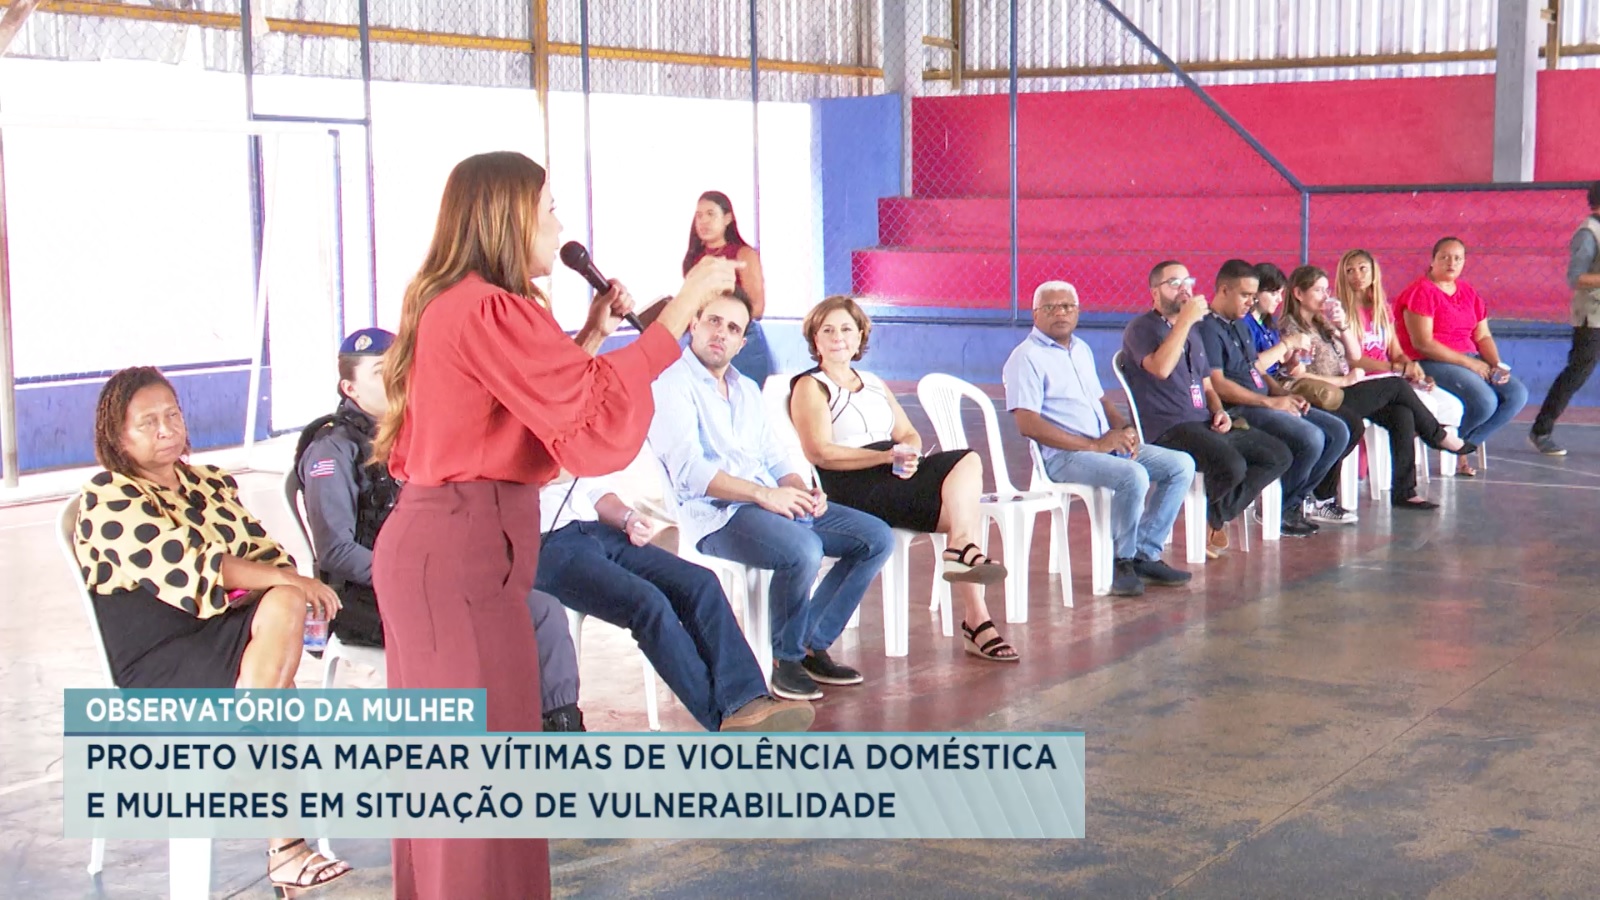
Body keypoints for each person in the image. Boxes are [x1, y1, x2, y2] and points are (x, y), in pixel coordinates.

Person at [368, 151, 739, 900]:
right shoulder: (485, 306)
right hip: (458, 554)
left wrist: (592, 336)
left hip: (463, 553)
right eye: (549, 209)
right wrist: (682, 307)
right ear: (507, 218)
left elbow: (533, 402)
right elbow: (590, 408)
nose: (560, 225)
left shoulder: (464, 304)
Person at [73, 366, 352, 895]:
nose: (166, 429)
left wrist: (284, 580)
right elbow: (191, 566)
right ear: (117, 437)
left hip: (221, 630)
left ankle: (246, 753)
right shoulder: (109, 496)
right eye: (148, 422)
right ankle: (285, 847)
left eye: (172, 414)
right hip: (162, 654)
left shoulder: (208, 481)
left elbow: (266, 553)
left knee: (282, 619)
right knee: (279, 676)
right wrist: (282, 581)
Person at [295, 327, 584, 731]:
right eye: (379, 372)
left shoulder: (420, 433)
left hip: (441, 580)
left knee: (542, 610)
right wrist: (419, 576)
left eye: (400, 367)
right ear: (350, 388)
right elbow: (336, 552)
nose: (396, 379)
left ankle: (561, 730)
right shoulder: (333, 449)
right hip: (371, 596)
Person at [651, 290, 893, 702]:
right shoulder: (671, 385)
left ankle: (811, 642)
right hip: (717, 515)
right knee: (803, 549)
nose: (721, 334)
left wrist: (798, 488)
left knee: (875, 538)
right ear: (693, 324)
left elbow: (774, 454)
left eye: (733, 328)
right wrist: (765, 495)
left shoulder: (745, 388)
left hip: (767, 502)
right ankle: (785, 659)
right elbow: (691, 473)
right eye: (713, 321)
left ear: (742, 342)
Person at [790, 295, 1016, 658]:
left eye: (846, 329)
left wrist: (908, 454)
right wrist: (883, 456)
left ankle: (965, 564)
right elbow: (819, 452)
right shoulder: (811, 385)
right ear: (815, 339)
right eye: (827, 330)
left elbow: (909, 433)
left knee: (967, 466)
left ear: (860, 336)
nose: (837, 337)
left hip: (892, 474)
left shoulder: (872, 382)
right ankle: (976, 615)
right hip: (852, 484)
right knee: (963, 511)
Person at [535, 470, 815, 731]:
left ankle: (748, 700)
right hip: (544, 543)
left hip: (594, 530)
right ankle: (725, 722)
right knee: (648, 604)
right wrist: (551, 470)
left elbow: (593, 489)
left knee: (700, 583)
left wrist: (627, 518)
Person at [1005, 281, 1195, 596]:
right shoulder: (1025, 358)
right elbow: (1028, 424)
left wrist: (1123, 428)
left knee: (1181, 465)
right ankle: (1119, 561)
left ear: (1078, 312)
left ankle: (1144, 553)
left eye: (1067, 306)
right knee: (1133, 475)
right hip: (1064, 456)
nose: (1060, 313)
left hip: (1102, 446)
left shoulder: (1080, 349)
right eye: (1051, 307)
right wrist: (1094, 446)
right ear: (1035, 314)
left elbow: (1101, 399)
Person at [1120, 260, 1292, 559]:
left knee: (1277, 455)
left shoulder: (1193, 331)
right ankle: (1209, 521)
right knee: (1231, 464)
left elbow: (1208, 384)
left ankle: (1215, 516)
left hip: (1203, 420)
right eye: (1174, 283)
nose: (1183, 289)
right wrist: (1185, 322)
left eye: (1187, 281)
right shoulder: (1142, 328)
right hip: (1167, 427)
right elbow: (1160, 368)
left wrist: (1218, 410)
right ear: (1154, 292)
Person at [1280, 265, 1476, 511]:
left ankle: (1405, 492)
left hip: (1343, 388)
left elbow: (1354, 355)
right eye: (1318, 290)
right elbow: (1297, 376)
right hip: (1321, 394)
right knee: (1395, 385)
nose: (1325, 296)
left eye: (1326, 290)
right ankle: (1436, 435)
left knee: (1401, 414)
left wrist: (1342, 327)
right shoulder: (1291, 328)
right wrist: (1344, 381)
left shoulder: (1322, 322)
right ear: (1299, 294)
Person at [1197, 259, 1348, 534]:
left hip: (1265, 399)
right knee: (1311, 438)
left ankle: (1293, 501)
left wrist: (1283, 393)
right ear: (1223, 290)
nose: (1250, 302)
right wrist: (1270, 402)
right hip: (1240, 407)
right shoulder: (1207, 327)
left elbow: (1255, 368)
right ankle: (1278, 509)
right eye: (1245, 295)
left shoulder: (1240, 324)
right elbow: (1218, 384)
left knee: (1338, 431)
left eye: (1253, 296)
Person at [1393, 237, 1529, 474]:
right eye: (1444, 257)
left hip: (1469, 358)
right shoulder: (1421, 292)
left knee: (1516, 394)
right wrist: (1471, 364)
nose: (1451, 263)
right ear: (1432, 261)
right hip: (1430, 361)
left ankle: (1463, 445)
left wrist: (1495, 364)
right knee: (1485, 401)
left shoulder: (1468, 292)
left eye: (1458, 258)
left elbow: (1482, 335)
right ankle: (1450, 445)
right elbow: (1423, 343)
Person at [1335, 249, 1466, 436]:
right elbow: (1351, 360)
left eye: (1362, 268)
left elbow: (1396, 352)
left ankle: (1436, 445)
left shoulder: (1382, 309)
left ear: (1373, 272)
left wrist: (1411, 368)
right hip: (1362, 380)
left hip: (1390, 377)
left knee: (1450, 405)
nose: (1357, 275)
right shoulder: (1340, 313)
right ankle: (1440, 439)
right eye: (1350, 271)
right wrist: (1396, 368)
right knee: (1423, 405)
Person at [1529, 181, 1600, 455]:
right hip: (1592, 314)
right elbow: (1576, 278)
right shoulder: (1588, 233)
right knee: (1578, 371)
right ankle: (1541, 430)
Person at [683, 191, 772, 385]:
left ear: (727, 218)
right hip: (702, 338)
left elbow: (757, 308)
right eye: (699, 216)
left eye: (711, 214)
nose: (703, 221)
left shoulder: (743, 254)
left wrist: (725, 309)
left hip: (740, 339)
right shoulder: (695, 259)